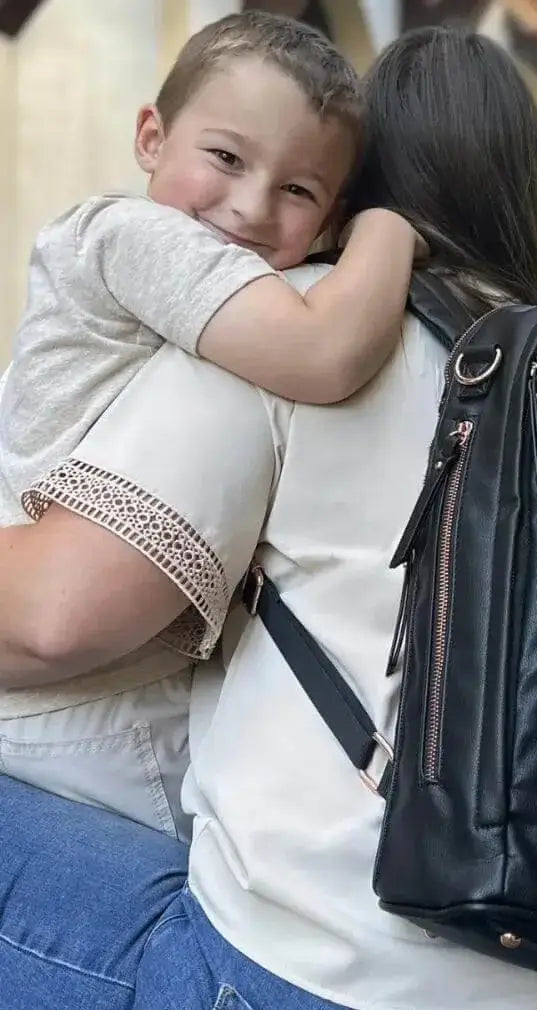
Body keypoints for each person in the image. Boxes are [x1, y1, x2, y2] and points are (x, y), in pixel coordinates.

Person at [0, 27, 537, 1010]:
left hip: (336, 978)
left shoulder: (279, 327)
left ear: (354, 190)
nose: (255, 207)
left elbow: (54, 620)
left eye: (299, 187)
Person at [0, 10, 424, 842]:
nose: (248, 207)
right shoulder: (132, 234)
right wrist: (393, 228)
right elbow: (323, 351)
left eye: (298, 189)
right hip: (81, 711)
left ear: (327, 213)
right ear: (151, 136)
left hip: (103, 684)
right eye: (225, 157)